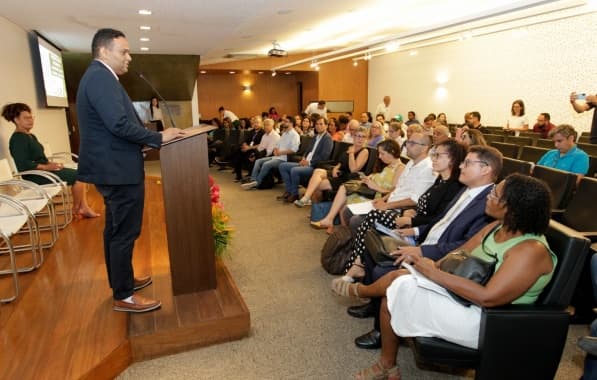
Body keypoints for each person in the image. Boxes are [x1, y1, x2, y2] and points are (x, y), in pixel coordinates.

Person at [348, 174, 556, 379]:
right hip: (465, 298)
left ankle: (360, 292)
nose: (488, 196)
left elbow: (489, 297)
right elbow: (459, 254)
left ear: (511, 207)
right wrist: (432, 265)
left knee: (400, 287)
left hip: (490, 322)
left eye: (495, 194)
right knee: (399, 284)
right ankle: (387, 365)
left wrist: (432, 272)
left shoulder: (530, 250)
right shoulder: (496, 226)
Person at [76, 28, 185, 313]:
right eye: (123, 51)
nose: (129, 57)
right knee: (124, 232)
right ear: (103, 51)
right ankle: (124, 296)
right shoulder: (100, 77)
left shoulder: (100, 76)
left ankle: (121, 282)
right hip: (117, 171)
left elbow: (116, 126)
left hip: (113, 168)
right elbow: (118, 125)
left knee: (115, 231)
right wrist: (158, 137)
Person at [2, 102, 100, 219]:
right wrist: (46, 167)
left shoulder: (30, 136)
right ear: (16, 120)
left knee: (80, 175)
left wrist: (51, 164)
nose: (31, 120)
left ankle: (83, 207)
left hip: (44, 171)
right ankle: (78, 208)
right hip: (35, 175)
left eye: (31, 117)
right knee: (79, 176)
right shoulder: (18, 139)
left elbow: (39, 158)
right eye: (26, 118)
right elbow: (23, 165)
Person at [310, 139, 404, 233]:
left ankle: (335, 225)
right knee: (344, 191)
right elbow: (380, 178)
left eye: (382, 153)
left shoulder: (400, 168)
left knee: (344, 194)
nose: (379, 156)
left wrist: (374, 186)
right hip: (370, 190)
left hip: (377, 196)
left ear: (392, 152)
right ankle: (341, 230)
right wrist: (370, 178)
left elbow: (393, 192)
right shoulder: (388, 165)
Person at [294, 126, 369, 207]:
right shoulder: (350, 147)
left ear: (366, 138)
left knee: (317, 185)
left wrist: (351, 154)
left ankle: (315, 207)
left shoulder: (364, 151)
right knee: (318, 171)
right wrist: (335, 168)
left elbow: (353, 169)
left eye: (363, 136)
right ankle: (306, 198)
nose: (360, 139)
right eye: (358, 136)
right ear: (354, 137)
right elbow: (341, 162)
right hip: (340, 173)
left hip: (349, 178)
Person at [277, 115, 333, 203]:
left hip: (314, 166)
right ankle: (289, 191)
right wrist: (303, 158)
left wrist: (309, 162)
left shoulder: (327, 139)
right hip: (305, 162)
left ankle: (294, 194)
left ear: (326, 126)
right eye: (317, 124)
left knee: (294, 170)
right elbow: (308, 150)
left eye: (321, 124)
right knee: (282, 166)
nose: (318, 126)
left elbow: (324, 156)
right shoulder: (315, 137)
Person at [241, 117, 300, 190]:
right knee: (258, 161)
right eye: (284, 121)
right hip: (277, 156)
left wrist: (280, 152)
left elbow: (294, 150)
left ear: (291, 123)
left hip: (284, 158)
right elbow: (277, 144)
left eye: (286, 121)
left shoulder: (295, 135)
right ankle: (253, 179)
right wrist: (275, 149)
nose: (284, 123)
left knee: (266, 164)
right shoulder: (285, 134)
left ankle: (257, 182)